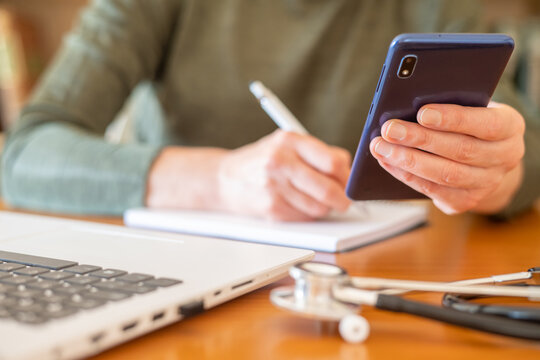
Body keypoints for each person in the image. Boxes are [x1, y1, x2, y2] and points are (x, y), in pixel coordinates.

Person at [1, 0, 539, 221]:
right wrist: (218, 180)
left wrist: (495, 172)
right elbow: (26, 154)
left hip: (368, 287)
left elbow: (525, 150)